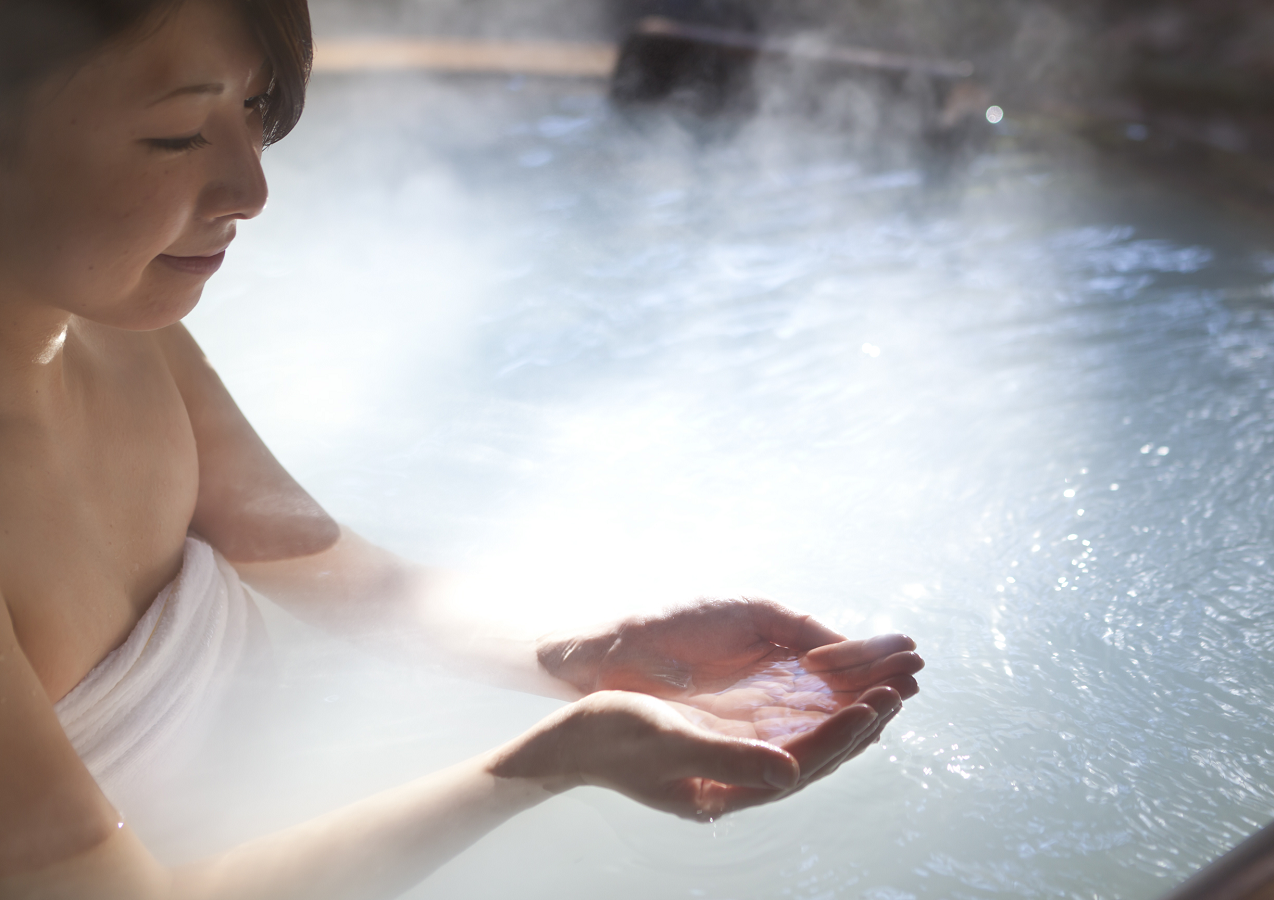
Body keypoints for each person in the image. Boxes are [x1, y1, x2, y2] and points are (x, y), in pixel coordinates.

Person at [0, 0, 925, 896]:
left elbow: (323, 564)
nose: (253, 189)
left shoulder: (119, 330)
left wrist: (590, 652)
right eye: (179, 137)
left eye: (249, 111)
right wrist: (551, 765)